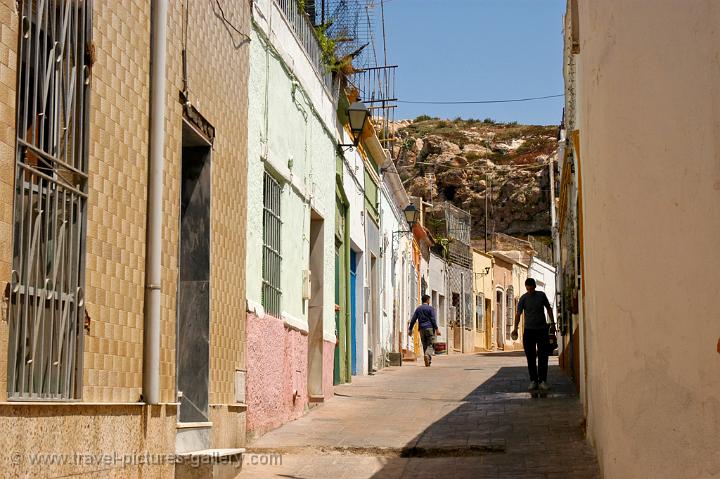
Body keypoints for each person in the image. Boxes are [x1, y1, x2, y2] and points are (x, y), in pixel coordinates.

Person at [512, 278, 556, 392]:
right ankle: (533, 381)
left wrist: (552, 323)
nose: (530, 291)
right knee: (530, 357)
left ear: (535, 287)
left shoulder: (541, 295)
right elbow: (518, 314)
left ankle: (543, 381)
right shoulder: (523, 298)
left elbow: (549, 309)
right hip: (529, 331)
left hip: (542, 330)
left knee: (543, 356)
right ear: (526, 288)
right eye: (528, 289)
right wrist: (515, 328)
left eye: (531, 289)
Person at [408, 294, 440, 367]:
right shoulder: (430, 309)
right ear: (428, 300)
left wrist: (410, 329)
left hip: (421, 329)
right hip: (430, 328)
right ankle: (427, 355)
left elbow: (413, 319)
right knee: (431, 344)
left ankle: (428, 360)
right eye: (429, 300)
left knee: (425, 344)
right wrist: (436, 329)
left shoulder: (418, 309)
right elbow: (433, 319)